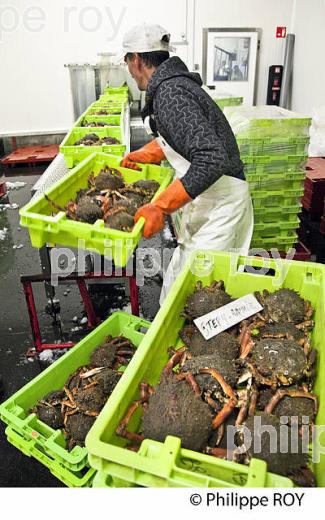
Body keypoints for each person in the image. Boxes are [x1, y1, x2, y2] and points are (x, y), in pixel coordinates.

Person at [121, 23, 253, 303]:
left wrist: (160, 206)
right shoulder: (175, 86)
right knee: (177, 287)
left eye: (127, 62)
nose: (129, 72)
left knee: (199, 296)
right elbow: (183, 136)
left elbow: (210, 157)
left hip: (222, 205)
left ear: (135, 59)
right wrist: (148, 153)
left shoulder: (170, 94)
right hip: (207, 200)